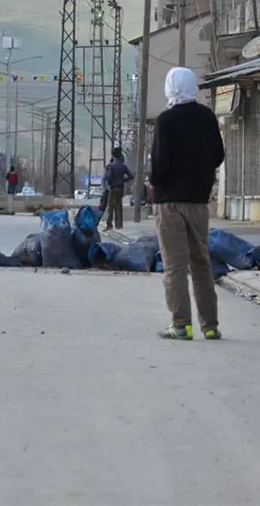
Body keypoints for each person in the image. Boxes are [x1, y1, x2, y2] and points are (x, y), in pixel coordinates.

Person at [150, 67, 225, 341]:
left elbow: (159, 165)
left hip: (169, 202)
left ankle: (181, 325)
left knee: (175, 265)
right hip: (198, 201)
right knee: (201, 263)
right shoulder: (206, 117)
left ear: (171, 87)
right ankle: (210, 326)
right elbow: (218, 155)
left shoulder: (165, 121)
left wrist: (154, 181)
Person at [104, 147, 133, 231]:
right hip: (121, 188)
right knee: (119, 206)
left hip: (113, 188)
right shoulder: (123, 166)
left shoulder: (111, 166)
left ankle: (109, 225)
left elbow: (109, 178)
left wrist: (110, 184)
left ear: (113, 155)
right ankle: (119, 225)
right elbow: (131, 176)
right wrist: (123, 180)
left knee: (110, 207)